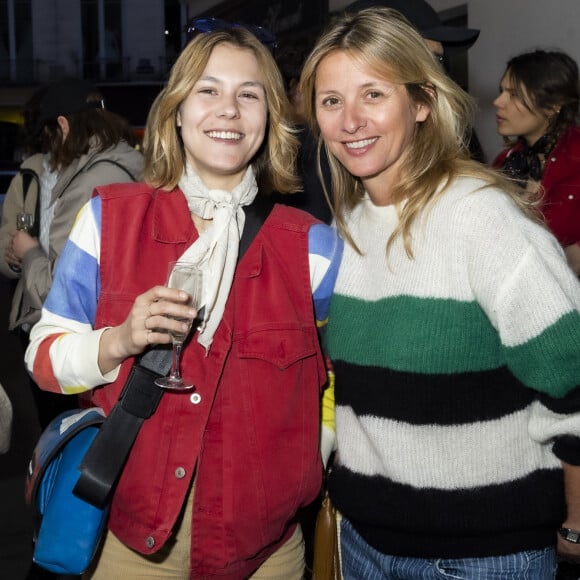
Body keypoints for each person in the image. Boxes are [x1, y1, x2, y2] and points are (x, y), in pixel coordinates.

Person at [25, 25, 342, 579]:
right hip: (133, 547)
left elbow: (342, 376)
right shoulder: (109, 220)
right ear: (176, 110)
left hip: (266, 552)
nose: (229, 110)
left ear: (269, 117)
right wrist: (119, 340)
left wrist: (304, 460)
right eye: (208, 90)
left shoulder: (312, 245)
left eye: (249, 94)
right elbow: (43, 360)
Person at [299, 7, 580, 579]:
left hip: (481, 559)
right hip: (363, 544)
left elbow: (573, 385)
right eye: (332, 101)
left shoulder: (484, 222)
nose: (350, 120)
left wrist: (576, 524)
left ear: (421, 102)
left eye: (373, 94)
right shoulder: (345, 226)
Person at [493, 49, 580, 275]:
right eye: (501, 91)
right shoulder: (504, 163)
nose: (498, 101)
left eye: (513, 94)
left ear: (553, 106)